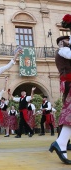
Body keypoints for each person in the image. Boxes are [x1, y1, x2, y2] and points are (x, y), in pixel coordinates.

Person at [49, 35, 71, 164]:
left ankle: (61, 143)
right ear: (62, 42)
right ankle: (61, 142)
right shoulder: (63, 51)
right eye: (67, 40)